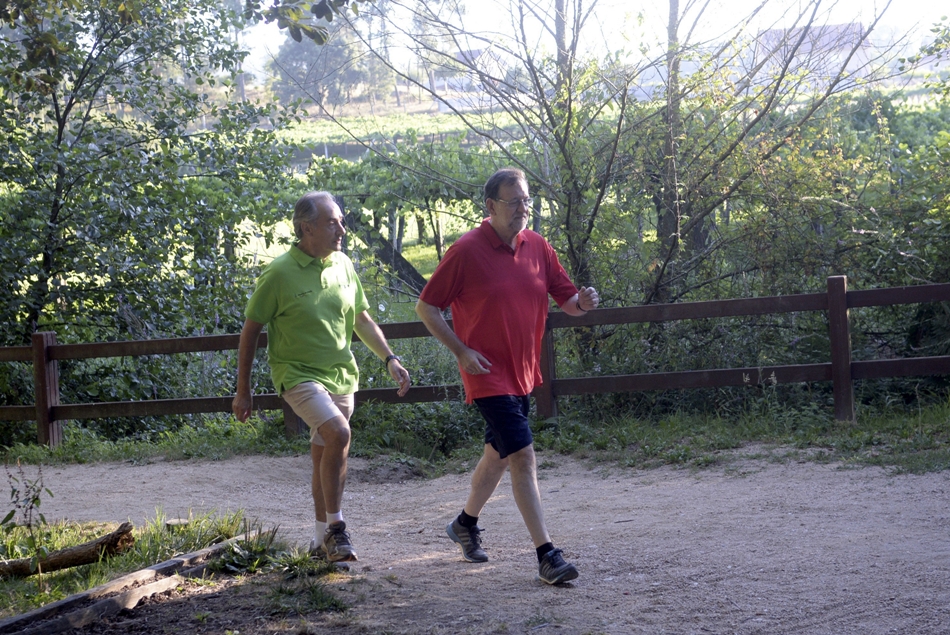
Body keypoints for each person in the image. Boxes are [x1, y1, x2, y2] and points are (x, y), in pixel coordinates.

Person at [415, 168, 600, 585]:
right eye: (514, 201)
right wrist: (461, 351)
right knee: (522, 454)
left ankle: (464, 524)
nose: (523, 208)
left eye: (527, 200)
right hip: (485, 374)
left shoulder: (538, 246)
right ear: (491, 206)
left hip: (523, 374)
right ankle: (546, 555)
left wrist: (582, 302)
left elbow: (566, 301)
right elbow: (426, 307)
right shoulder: (465, 251)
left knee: (497, 456)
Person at [233, 191, 410, 563]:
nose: (341, 229)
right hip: (297, 375)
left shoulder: (343, 264)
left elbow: (361, 318)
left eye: (341, 221)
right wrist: (243, 390)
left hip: (341, 376)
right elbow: (250, 331)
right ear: (307, 227)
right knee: (339, 433)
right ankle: (337, 529)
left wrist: (389, 358)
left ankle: (318, 544)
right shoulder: (279, 273)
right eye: (333, 222)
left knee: (324, 456)